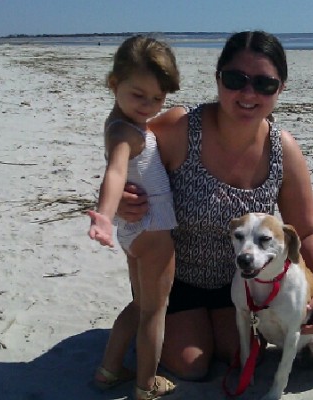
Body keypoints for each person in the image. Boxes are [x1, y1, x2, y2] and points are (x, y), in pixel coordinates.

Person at [115, 30, 313, 381]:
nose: (249, 94)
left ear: (280, 89)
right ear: (218, 78)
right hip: (173, 278)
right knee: (193, 364)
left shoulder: (284, 150)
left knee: (237, 352)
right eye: (236, 79)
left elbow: (308, 229)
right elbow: (123, 148)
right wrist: (120, 200)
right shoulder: (178, 128)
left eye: (265, 84)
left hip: (243, 283)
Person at [88, 35, 180, 399]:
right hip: (154, 231)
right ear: (114, 83)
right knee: (155, 312)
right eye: (138, 95)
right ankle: (146, 384)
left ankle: (109, 370)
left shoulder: (118, 120)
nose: (148, 106)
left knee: (140, 304)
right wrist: (104, 217)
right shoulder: (126, 133)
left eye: (158, 99)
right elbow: (114, 172)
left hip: (134, 231)